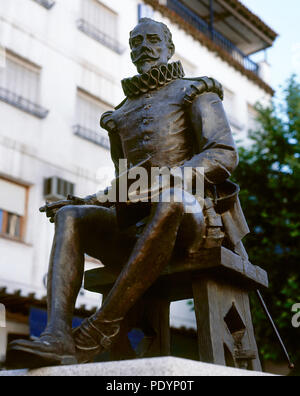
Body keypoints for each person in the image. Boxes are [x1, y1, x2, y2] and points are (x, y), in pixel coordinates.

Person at [8, 18, 249, 367]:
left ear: (169, 49)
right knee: (70, 216)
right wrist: (87, 201)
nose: (144, 48)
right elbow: (125, 182)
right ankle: (57, 335)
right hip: (139, 226)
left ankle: (99, 328)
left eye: (152, 40)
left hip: (190, 220)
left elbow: (223, 154)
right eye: (136, 43)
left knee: (171, 202)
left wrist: (169, 180)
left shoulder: (196, 91)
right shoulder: (121, 114)